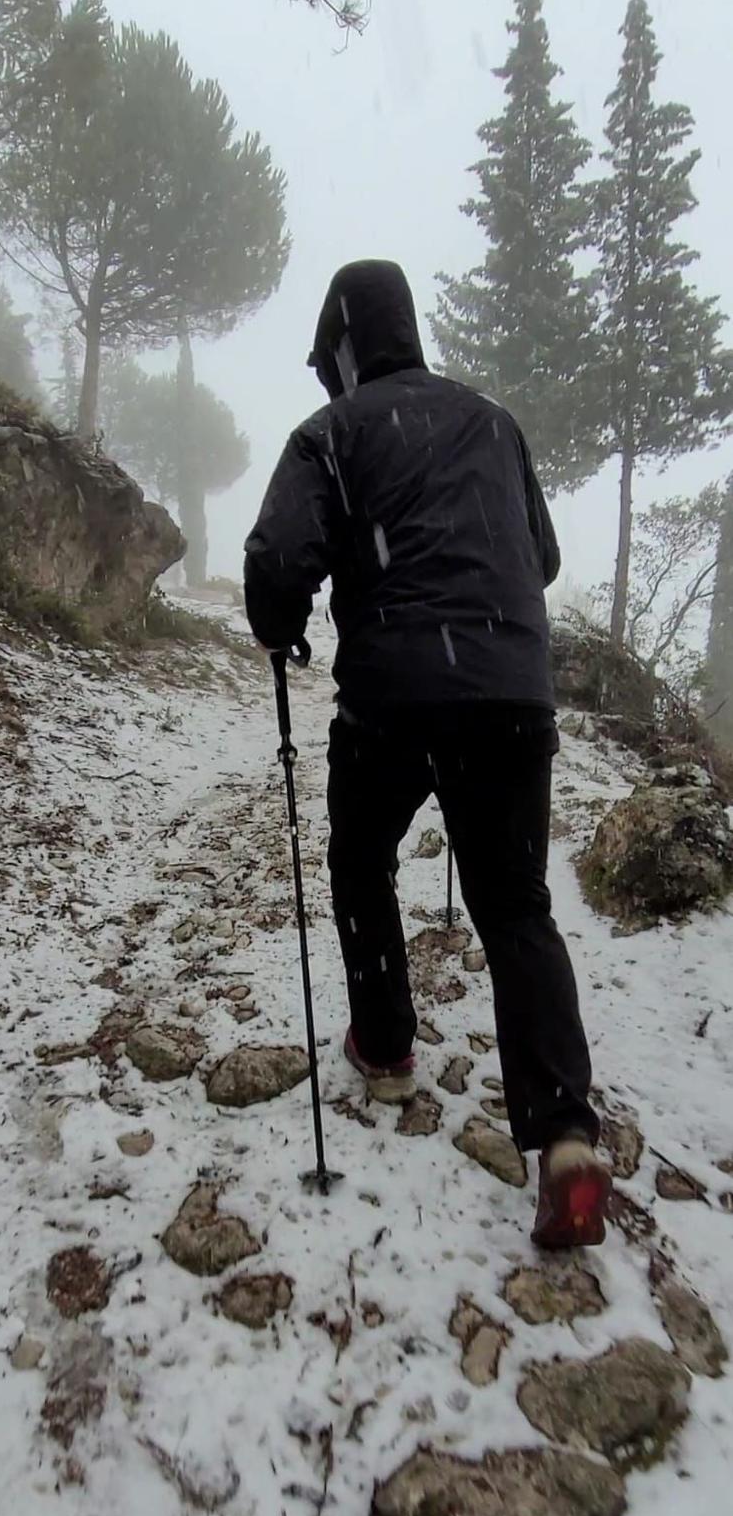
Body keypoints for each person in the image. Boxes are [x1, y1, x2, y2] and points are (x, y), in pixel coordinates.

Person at [243, 259, 610, 1251]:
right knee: (515, 905)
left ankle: (387, 1042)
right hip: (507, 688)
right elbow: (538, 558)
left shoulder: (332, 432)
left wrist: (280, 625)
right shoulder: (491, 422)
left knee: (359, 855)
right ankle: (567, 1138)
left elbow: (279, 562)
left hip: (393, 694)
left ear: (346, 347)